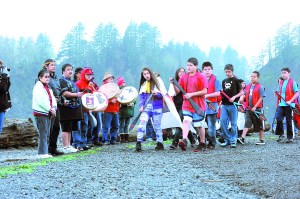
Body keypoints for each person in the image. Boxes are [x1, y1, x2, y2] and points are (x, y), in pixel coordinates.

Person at [171, 57, 207, 151]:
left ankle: (202, 143)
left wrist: (192, 94)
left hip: (198, 105)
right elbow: (178, 91)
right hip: (186, 104)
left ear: (196, 66)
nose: (188, 67)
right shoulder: (184, 77)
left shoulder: (201, 76)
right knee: (186, 121)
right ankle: (184, 139)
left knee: (199, 125)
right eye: (187, 65)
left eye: (191, 65)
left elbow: (204, 91)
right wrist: (174, 84)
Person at [135, 67, 164, 151]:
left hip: (157, 107)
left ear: (150, 73)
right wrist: (141, 106)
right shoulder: (143, 85)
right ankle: (138, 142)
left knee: (157, 125)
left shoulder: (158, 83)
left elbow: (163, 95)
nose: (146, 75)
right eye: (144, 74)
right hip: (146, 108)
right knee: (142, 123)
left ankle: (160, 143)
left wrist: (157, 94)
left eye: (148, 73)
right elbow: (141, 98)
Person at [59, 63, 83, 153]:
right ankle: (65, 146)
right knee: (65, 128)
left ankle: (69, 145)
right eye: (68, 69)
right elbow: (64, 93)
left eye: (71, 69)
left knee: (70, 128)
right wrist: (77, 94)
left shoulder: (71, 81)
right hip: (65, 108)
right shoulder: (62, 81)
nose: (70, 71)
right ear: (63, 71)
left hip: (73, 107)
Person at [32, 69, 57, 158]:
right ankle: (42, 153)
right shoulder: (38, 87)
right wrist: (50, 109)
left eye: (48, 77)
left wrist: (54, 107)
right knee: (43, 133)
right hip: (40, 113)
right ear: (40, 78)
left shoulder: (47, 87)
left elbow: (53, 98)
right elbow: (41, 101)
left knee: (47, 133)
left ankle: (45, 152)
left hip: (48, 112)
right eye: (45, 77)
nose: (47, 78)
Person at [169, 67, 196, 150]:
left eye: (183, 71)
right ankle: (192, 140)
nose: (181, 73)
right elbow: (172, 94)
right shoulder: (174, 82)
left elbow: (179, 91)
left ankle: (175, 142)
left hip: (184, 105)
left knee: (180, 124)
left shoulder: (186, 81)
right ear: (177, 73)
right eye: (179, 71)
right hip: (176, 105)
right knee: (183, 124)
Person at [42, 59, 64, 156]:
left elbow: (59, 91)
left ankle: (53, 147)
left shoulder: (55, 78)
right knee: (49, 127)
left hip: (56, 104)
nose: (54, 66)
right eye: (51, 65)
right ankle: (45, 148)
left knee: (56, 127)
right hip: (48, 105)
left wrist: (62, 99)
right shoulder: (43, 77)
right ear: (46, 66)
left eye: (54, 65)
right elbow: (41, 90)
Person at [237, 71, 266, 145]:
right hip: (248, 108)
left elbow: (261, 98)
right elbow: (244, 94)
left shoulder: (260, 87)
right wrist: (241, 98)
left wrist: (255, 107)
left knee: (260, 124)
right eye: (251, 76)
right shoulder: (248, 86)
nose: (252, 78)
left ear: (258, 78)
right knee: (247, 122)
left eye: (254, 77)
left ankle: (261, 139)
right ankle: (242, 138)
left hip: (258, 110)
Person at [219, 64, 243, 148]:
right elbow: (222, 92)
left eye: (229, 71)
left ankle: (233, 140)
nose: (227, 73)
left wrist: (234, 97)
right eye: (226, 72)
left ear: (232, 71)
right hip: (224, 105)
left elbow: (241, 92)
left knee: (233, 123)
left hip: (233, 105)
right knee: (222, 121)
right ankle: (227, 139)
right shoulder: (224, 81)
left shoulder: (236, 80)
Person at [75, 67, 97, 150]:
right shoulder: (78, 83)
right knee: (77, 127)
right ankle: (77, 144)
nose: (89, 76)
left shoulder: (91, 84)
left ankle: (83, 143)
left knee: (85, 126)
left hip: (87, 109)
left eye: (91, 75)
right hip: (78, 108)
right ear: (84, 74)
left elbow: (94, 95)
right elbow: (77, 95)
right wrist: (86, 89)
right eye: (88, 75)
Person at [275, 67, 299, 143]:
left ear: (289, 73)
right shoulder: (281, 82)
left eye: (284, 73)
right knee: (278, 118)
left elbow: (297, 93)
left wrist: (290, 100)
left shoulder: (293, 82)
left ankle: (290, 137)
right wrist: (276, 94)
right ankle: (281, 134)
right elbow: (278, 92)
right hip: (281, 104)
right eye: (282, 73)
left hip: (289, 105)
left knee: (289, 120)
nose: (283, 74)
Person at [202, 61, 222, 149]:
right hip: (202, 106)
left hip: (212, 105)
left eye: (209, 69)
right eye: (205, 69)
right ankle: (203, 140)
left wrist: (207, 95)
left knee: (211, 125)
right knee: (201, 124)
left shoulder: (216, 80)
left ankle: (212, 142)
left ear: (212, 70)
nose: (207, 71)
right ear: (202, 71)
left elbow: (218, 93)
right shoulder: (200, 79)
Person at [101, 72, 120, 145]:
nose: (111, 79)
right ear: (106, 79)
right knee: (106, 126)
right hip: (107, 110)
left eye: (112, 78)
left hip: (115, 109)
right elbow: (101, 99)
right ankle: (105, 139)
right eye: (110, 78)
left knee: (115, 125)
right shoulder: (103, 88)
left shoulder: (114, 87)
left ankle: (113, 139)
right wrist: (109, 101)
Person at [117, 76, 135, 143]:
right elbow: (119, 100)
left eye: (124, 82)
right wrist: (126, 104)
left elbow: (133, 97)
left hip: (129, 110)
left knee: (127, 125)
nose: (124, 83)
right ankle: (122, 138)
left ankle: (126, 138)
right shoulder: (119, 91)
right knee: (122, 125)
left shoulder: (128, 90)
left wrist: (133, 102)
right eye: (123, 82)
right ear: (120, 83)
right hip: (122, 111)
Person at [0, 60, 12, 134]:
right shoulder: (3, 77)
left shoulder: (2, 77)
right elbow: (2, 88)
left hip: (1, 106)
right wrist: (4, 76)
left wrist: (7, 76)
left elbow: (6, 89)